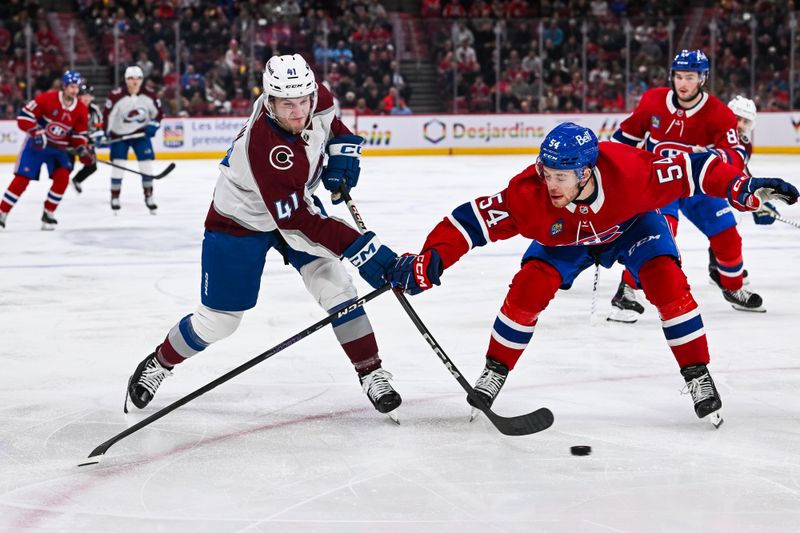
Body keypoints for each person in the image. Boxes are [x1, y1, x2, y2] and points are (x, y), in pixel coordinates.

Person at [387, 122, 798, 426]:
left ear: (585, 172)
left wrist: (743, 188)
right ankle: (495, 371)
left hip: (632, 225)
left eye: (560, 176)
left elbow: (699, 169)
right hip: (567, 238)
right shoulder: (530, 194)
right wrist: (433, 257)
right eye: (546, 173)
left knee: (666, 283)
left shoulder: (633, 173)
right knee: (529, 288)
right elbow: (468, 222)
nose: (550, 183)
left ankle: (698, 375)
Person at [124, 54, 403, 419]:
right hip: (239, 219)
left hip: (292, 204)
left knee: (337, 288)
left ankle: (371, 372)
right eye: (286, 104)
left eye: (303, 100)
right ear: (269, 101)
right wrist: (364, 250)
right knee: (219, 321)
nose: (298, 111)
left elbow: (332, 124)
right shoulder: (266, 146)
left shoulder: (313, 95)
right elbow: (300, 222)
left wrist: (343, 150)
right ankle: (160, 362)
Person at [609, 49, 763, 318]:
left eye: (690, 77)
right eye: (679, 76)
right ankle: (626, 290)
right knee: (656, 236)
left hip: (698, 184)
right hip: (660, 184)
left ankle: (733, 288)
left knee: (727, 235)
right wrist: (609, 171)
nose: (683, 83)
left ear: (703, 78)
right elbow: (625, 139)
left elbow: (736, 156)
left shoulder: (718, 113)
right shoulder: (653, 101)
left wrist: (712, 156)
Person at [0, 70, 92, 231]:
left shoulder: (81, 110)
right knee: (22, 179)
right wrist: (35, 131)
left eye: (76, 87)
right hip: (37, 146)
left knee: (62, 178)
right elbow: (24, 117)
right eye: (71, 86)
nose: (74, 90)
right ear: (64, 86)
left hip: (58, 150)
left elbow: (79, 135)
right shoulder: (47, 98)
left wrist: (81, 148)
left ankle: (48, 213)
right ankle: (2, 212)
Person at [708, 95, 778, 284]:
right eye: (737, 118)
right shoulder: (714, 134)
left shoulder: (745, 144)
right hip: (699, 186)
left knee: (729, 223)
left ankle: (719, 269)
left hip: (718, 188)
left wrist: (758, 198)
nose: (740, 124)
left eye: (745, 121)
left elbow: (741, 171)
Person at [103, 65, 163, 214]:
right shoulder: (116, 95)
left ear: (142, 79)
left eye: (138, 78)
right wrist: (105, 132)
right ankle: (115, 196)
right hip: (119, 136)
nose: (135, 81)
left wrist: (153, 125)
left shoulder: (150, 95)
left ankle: (149, 196)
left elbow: (158, 114)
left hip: (140, 135)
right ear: (126, 80)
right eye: (131, 78)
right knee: (118, 165)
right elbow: (108, 115)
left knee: (146, 166)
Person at [70, 83, 104, 194]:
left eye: (89, 95)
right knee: (67, 166)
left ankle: (77, 180)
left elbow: (99, 127)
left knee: (92, 166)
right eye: (83, 95)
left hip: (86, 142)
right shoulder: (72, 107)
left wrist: (96, 137)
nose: (86, 98)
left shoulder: (94, 110)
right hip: (71, 142)